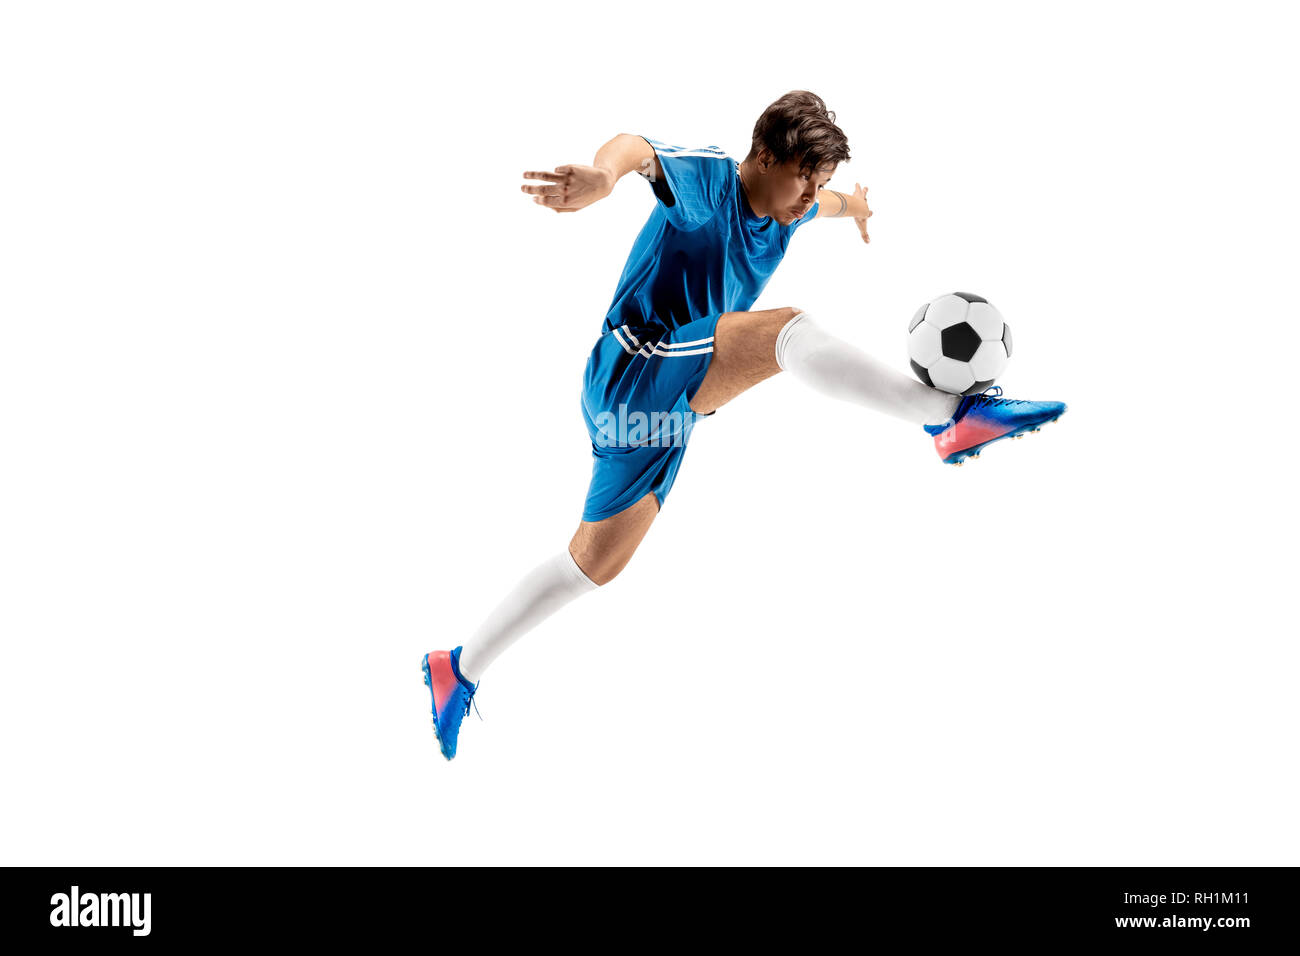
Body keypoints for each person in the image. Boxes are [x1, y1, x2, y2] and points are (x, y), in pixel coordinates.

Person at [421, 91, 1067, 759]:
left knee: (591, 566)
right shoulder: (710, 185)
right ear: (763, 156)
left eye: (821, 182)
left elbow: (830, 204)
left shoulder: (794, 205)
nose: (810, 196)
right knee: (785, 330)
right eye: (805, 179)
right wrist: (605, 178)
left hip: (663, 409)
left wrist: (858, 209)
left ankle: (456, 669)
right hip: (636, 363)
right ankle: (949, 419)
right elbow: (636, 146)